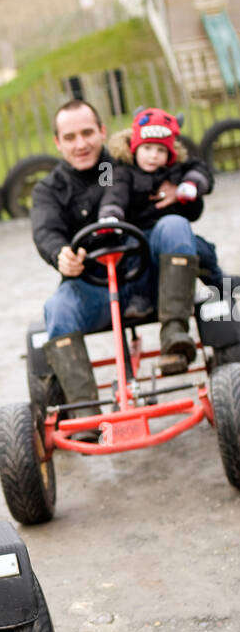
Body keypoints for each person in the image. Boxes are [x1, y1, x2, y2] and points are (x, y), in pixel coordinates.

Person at [31, 99, 225, 412]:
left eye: (87, 133)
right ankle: (84, 412)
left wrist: (180, 191)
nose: (80, 144)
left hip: (148, 276)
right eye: (69, 137)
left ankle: (176, 337)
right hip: (93, 283)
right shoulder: (49, 189)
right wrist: (60, 254)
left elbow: (193, 200)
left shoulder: (135, 160)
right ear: (57, 142)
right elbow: (45, 231)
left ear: (102, 131)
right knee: (56, 308)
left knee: (175, 226)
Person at [98, 106, 224, 373]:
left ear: (170, 152)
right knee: (134, 255)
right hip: (140, 238)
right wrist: (110, 216)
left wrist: (188, 187)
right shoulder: (116, 168)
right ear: (134, 147)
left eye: (160, 150)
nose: (154, 156)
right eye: (147, 149)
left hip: (178, 239)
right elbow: (113, 194)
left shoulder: (177, 168)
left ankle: (218, 292)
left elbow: (201, 171)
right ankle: (142, 299)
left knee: (202, 250)